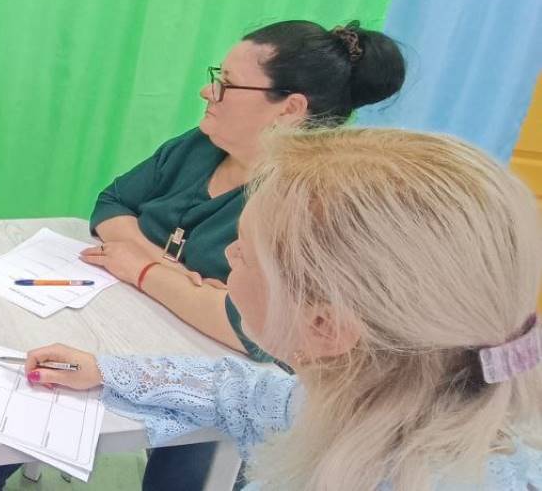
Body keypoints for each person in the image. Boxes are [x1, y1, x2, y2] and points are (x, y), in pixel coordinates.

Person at [26, 127, 541, 489]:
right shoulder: (370, 397)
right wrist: (106, 370)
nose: (228, 255)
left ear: (324, 326)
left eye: (245, 253)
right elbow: (249, 393)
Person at [84, 20, 405, 363]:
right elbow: (112, 204)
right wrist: (169, 270)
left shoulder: (314, 202)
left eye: (227, 83)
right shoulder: (201, 144)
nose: (207, 91)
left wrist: (143, 271)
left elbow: (259, 330)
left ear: (289, 109)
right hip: (124, 320)